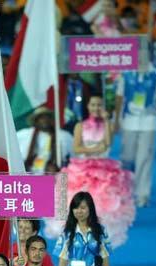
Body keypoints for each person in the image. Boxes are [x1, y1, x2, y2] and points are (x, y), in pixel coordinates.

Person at [44, 94, 135, 248]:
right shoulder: (80, 125)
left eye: (99, 105)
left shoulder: (108, 125)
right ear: (88, 107)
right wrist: (92, 149)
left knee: (102, 203)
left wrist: (106, 121)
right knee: (75, 199)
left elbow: (107, 143)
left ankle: (95, 235)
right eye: (93, 105)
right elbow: (77, 147)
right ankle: (76, 233)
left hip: (104, 170)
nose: (96, 108)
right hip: (82, 168)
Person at [114, 60, 156, 207]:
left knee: (145, 158)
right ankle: (126, 190)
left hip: (149, 121)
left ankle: (142, 194)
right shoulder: (125, 74)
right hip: (129, 120)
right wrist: (116, 120)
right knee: (127, 157)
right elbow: (119, 97)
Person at [17, 106, 74, 173]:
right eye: (41, 118)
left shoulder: (64, 136)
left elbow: (75, 157)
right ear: (35, 120)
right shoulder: (23, 134)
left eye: (47, 117)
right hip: (27, 175)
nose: (44, 120)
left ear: (52, 119)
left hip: (57, 175)